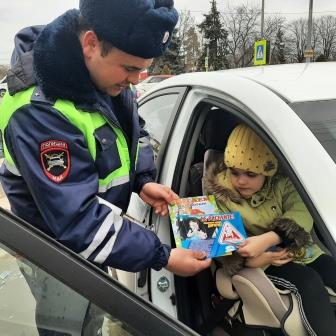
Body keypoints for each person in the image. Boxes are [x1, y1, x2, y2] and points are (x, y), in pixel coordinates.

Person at [0, 0, 211, 333]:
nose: (137, 79)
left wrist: (143, 180)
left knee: (93, 318)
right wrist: (164, 257)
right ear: (90, 44)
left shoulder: (105, 78)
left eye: (145, 68)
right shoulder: (38, 111)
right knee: (70, 327)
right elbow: (79, 221)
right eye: (129, 68)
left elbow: (133, 127)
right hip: (56, 253)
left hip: (90, 241)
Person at [204, 123, 336, 336]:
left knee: (332, 268)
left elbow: (301, 214)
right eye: (234, 172)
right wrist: (253, 259)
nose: (240, 181)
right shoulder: (220, 195)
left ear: (268, 171)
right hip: (264, 263)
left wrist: (270, 237)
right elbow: (219, 241)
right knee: (309, 282)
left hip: (303, 251)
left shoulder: (283, 184)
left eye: (250, 174)